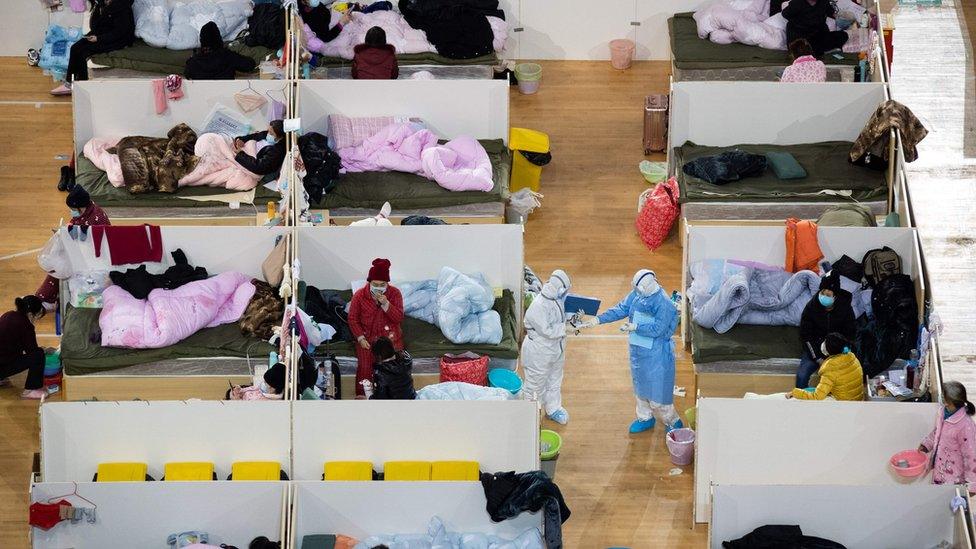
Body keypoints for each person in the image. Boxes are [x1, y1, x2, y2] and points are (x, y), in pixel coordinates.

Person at [578, 269, 682, 434]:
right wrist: (597, 320)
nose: (637, 293)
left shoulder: (664, 304)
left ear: (649, 285)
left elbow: (658, 329)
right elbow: (621, 309)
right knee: (640, 389)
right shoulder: (638, 294)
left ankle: (672, 421)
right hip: (638, 351)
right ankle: (645, 417)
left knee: (657, 395)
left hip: (656, 354)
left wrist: (635, 327)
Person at [35, 185, 111, 309]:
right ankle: (48, 297)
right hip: (86, 251)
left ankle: (47, 298)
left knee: (60, 265)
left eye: (72, 209)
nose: (72, 211)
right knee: (59, 262)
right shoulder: (87, 211)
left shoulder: (95, 220)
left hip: (95, 258)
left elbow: (92, 243)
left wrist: (67, 238)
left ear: (80, 207)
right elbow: (77, 226)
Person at [51, 0, 136, 96]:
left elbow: (119, 32)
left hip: (118, 40)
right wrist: (92, 33)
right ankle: (70, 82)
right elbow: (96, 26)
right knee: (75, 47)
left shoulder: (122, 6)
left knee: (83, 52)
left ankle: (83, 84)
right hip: (102, 35)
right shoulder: (102, 4)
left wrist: (98, 38)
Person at [521, 270, 571, 425]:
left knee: (555, 379)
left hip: (555, 349)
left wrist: (572, 317)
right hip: (539, 352)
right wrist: (567, 327)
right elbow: (548, 331)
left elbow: (560, 316)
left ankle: (553, 408)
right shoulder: (538, 306)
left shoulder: (555, 298)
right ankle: (530, 414)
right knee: (535, 385)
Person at [348, 259, 404, 397]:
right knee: (365, 367)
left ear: (387, 284)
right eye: (375, 284)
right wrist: (360, 338)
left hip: (389, 339)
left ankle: (393, 396)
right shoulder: (359, 296)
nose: (378, 287)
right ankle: (362, 396)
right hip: (367, 338)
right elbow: (352, 319)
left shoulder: (395, 294)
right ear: (369, 282)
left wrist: (386, 304)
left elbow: (398, 318)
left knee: (392, 367)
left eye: (382, 284)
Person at [797, 274, 856, 389]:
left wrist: (842, 353)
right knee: (802, 375)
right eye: (822, 293)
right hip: (816, 349)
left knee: (845, 378)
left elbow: (850, 333)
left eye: (828, 295)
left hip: (837, 351)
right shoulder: (811, 307)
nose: (824, 297)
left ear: (835, 296)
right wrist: (818, 358)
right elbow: (806, 336)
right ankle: (801, 402)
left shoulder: (845, 309)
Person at [919, 381, 976, 493]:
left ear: (952, 401)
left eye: (944, 397)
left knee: (953, 501)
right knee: (938, 498)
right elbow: (937, 432)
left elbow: (971, 456)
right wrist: (926, 444)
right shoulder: (944, 412)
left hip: (955, 476)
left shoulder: (966, 426)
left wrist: (972, 485)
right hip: (940, 469)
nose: (942, 400)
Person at [788, 333, 864, 401]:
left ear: (829, 349)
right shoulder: (852, 358)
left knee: (802, 395)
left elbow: (817, 397)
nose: (823, 344)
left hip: (841, 404)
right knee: (809, 389)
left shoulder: (830, 369)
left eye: (825, 342)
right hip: (856, 399)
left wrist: (795, 393)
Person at [0, 296, 48, 400]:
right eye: (37, 316)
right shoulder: (26, 325)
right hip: (2, 365)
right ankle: (31, 389)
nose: (36, 320)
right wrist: (44, 350)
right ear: (31, 314)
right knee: (39, 355)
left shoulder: (8, 314)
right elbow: (33, 352)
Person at [184, 21, 258, 80]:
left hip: (203, 95)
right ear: (218, 38)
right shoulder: (227, 56)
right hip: (226, 94)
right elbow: (250, 65)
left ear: (201, 40)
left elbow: (187, 74)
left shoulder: (194, 61)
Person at [782, 0, 849, 58]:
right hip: (800, 36)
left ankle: (813, 51)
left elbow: (832, 13)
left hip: (818, 35)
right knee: (799, 49)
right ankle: (812, 52)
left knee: (843, 35)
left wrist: (843, 19)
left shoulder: (824, 2)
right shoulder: (797, 3)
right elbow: (785, 14)